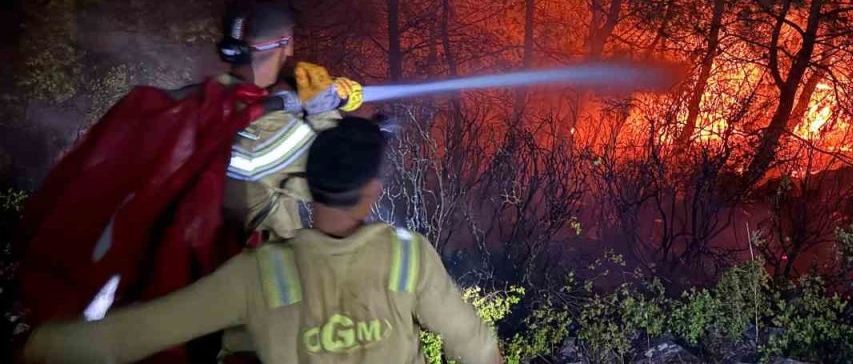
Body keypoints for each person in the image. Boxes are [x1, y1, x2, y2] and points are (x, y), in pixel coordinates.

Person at [23, 117, 502, 364]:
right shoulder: (408, 256)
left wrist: (38, 345)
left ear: (308, 185)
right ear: (371, 193)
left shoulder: (259, 274)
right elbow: (475, 347)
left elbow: (133, 335)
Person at [215, 0, 364, 241]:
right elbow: (346, 180)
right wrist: (324, 111)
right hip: (256, 268)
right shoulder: (269, 130)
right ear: (286, 44)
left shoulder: (210, 100)